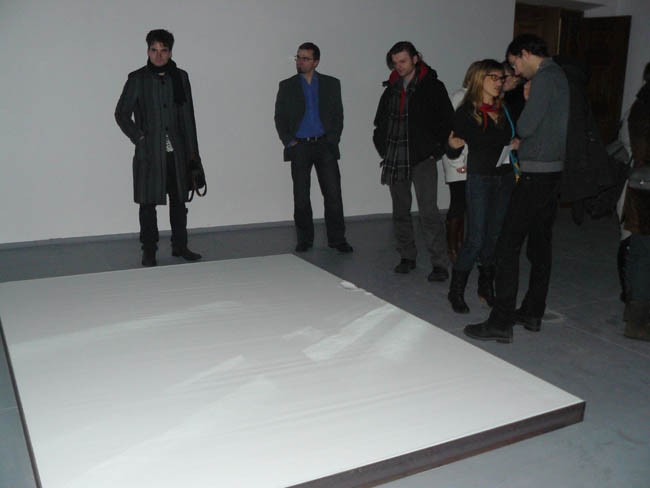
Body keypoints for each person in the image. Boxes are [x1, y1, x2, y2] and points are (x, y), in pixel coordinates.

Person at [464, 34, 569, 343]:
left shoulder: (545, 78)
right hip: (552, 172)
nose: (516, 71)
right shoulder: (560, 75)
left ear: (524, 54)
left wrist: (527, 99)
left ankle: (501, 321)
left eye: (514, 64)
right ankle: (533, 312)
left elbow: (525, 127)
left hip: (536, 174)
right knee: (540, 245)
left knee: (507, 246)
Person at [115, 29, 202, 267]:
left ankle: (180, 246)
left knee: (179, 202)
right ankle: (149, 251)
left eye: (163, 50)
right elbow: (121, 114)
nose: (158, 55)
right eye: (154, 50)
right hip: (149, 153)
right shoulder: (137, 79)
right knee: (147, 204)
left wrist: (193, 154)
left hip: (178, 152)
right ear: (147, 51)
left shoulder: (180, 77)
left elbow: (188, 117)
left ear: (170, 52)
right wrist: (139, 137)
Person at [373, 41, 454, 282]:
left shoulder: (433, 86)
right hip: (395, 156)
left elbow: (446, 120)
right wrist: (384, 147)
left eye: (403, 61)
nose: (398, 66)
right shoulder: (391, 88)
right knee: (400, 210)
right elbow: (380, 122)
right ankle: (407, 256)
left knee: (429, 212)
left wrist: (434, 150)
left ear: (415, 58)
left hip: (422, 158)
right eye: (395, 62)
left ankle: (439, 264)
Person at [446, 59, 518, 314]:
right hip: (480, 178)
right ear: (480, 79)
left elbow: (509, 137)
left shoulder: (503, 108)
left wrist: (515, 142)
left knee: (494, 236)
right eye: (494, 78)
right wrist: (452, 147)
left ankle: (486, 288)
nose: (499, 83)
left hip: (504, 176)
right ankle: (456, 291)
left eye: (501, 78)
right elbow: (454, 148)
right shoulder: (466, 112)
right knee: (475, 239)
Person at [274, 42, 353, 254]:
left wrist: (332, 139)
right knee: (301, 197)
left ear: (316, 62)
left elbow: (338, 115)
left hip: (325, 145)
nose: (300, 62)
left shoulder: (331, 84)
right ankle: (304, 239)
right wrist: (289, 141)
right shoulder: (287, 85)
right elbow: (279, 117)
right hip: (300, 146)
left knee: (333, 195)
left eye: (305, 58)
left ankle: (337, 239)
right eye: (298, 57)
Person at [621, 61, 650, 341]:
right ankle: (638, 322)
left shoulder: (640, 105)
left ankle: (633, 315)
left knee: (639, 251)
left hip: (640, 186)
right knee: (644, 256)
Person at [441, 62, 480, 264]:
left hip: (470, 159)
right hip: (457, 158)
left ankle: (460, 245)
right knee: (458, 203)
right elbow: (454, 132)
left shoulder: (477, 98)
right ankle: (452, 248)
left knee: (464, 204)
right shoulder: (460, 97)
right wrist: (460, 161)